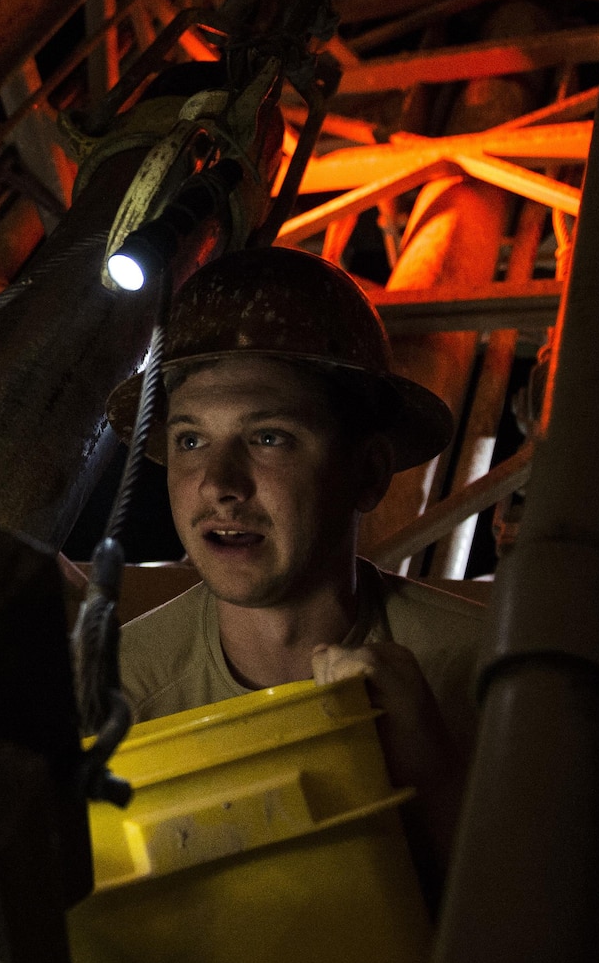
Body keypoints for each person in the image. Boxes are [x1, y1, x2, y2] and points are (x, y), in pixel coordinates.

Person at [108, 246, 485, 872]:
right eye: (191, 440)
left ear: (367, 473)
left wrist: (434, 787)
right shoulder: (108, 692)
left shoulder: (488, 680)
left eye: (268, 438)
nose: (219, 483)